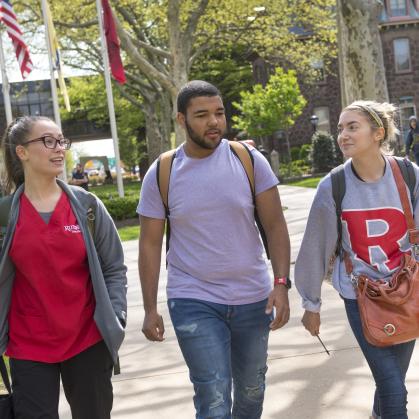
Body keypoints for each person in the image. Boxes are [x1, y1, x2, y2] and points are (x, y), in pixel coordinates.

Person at [137, 80, 290, 419]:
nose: (214, 122)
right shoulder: (162, 171)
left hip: (253, 297)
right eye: (202, 115)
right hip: (193, 297)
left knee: (252, 390)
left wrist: (281, 284)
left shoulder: (249, 160)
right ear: (181, 120)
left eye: (219, 113)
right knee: (213, 395)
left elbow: (276, 225)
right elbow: (149, 244)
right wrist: (150, 308)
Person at [295, 100, 418, 419]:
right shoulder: (333, 186)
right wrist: (311, 303)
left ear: (378, 133)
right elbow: (315, 247)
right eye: (340, 128)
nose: (342, 135)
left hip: (408, 293)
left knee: (392, 382)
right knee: (393, 388)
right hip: (360, 296)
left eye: (353, 127)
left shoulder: (408, 175)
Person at [0, 116, 127, 419]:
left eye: (61, 141)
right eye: (48, 141)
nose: (59, 149)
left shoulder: (88, 206)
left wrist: (115, 314)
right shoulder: (5, 215)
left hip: (87, 339)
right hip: (28, 344)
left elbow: (113, 267)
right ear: (22, 152)